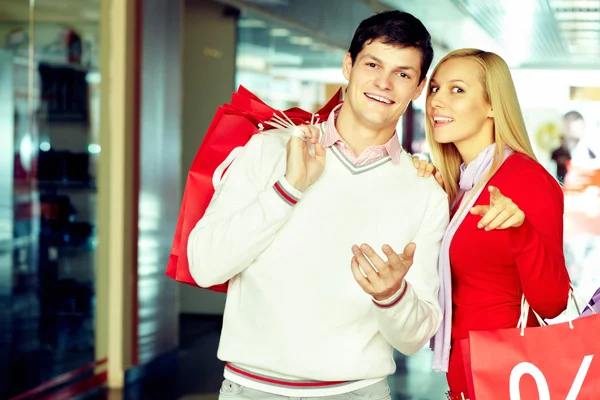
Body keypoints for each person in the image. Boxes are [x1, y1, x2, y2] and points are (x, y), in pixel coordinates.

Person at [187, 10, 449, 400]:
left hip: (359, 392)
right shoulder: (270, 149)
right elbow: (205, 266)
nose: (384, 82)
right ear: (348, 65)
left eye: (403, 74)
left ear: (418, 88)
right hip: (251, 390)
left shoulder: (425, 190)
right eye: (373, 64)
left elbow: (413, 339)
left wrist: (392, 294)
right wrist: (287, 190)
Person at [425, 48, 571, 399]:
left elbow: (553, 302)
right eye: (434, 88)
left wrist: (521, 232)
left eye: (456, 90)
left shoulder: (526, 179)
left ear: (493, 105)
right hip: (466, 373)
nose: (436, 101)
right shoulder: (460, 184)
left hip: (507, 373)